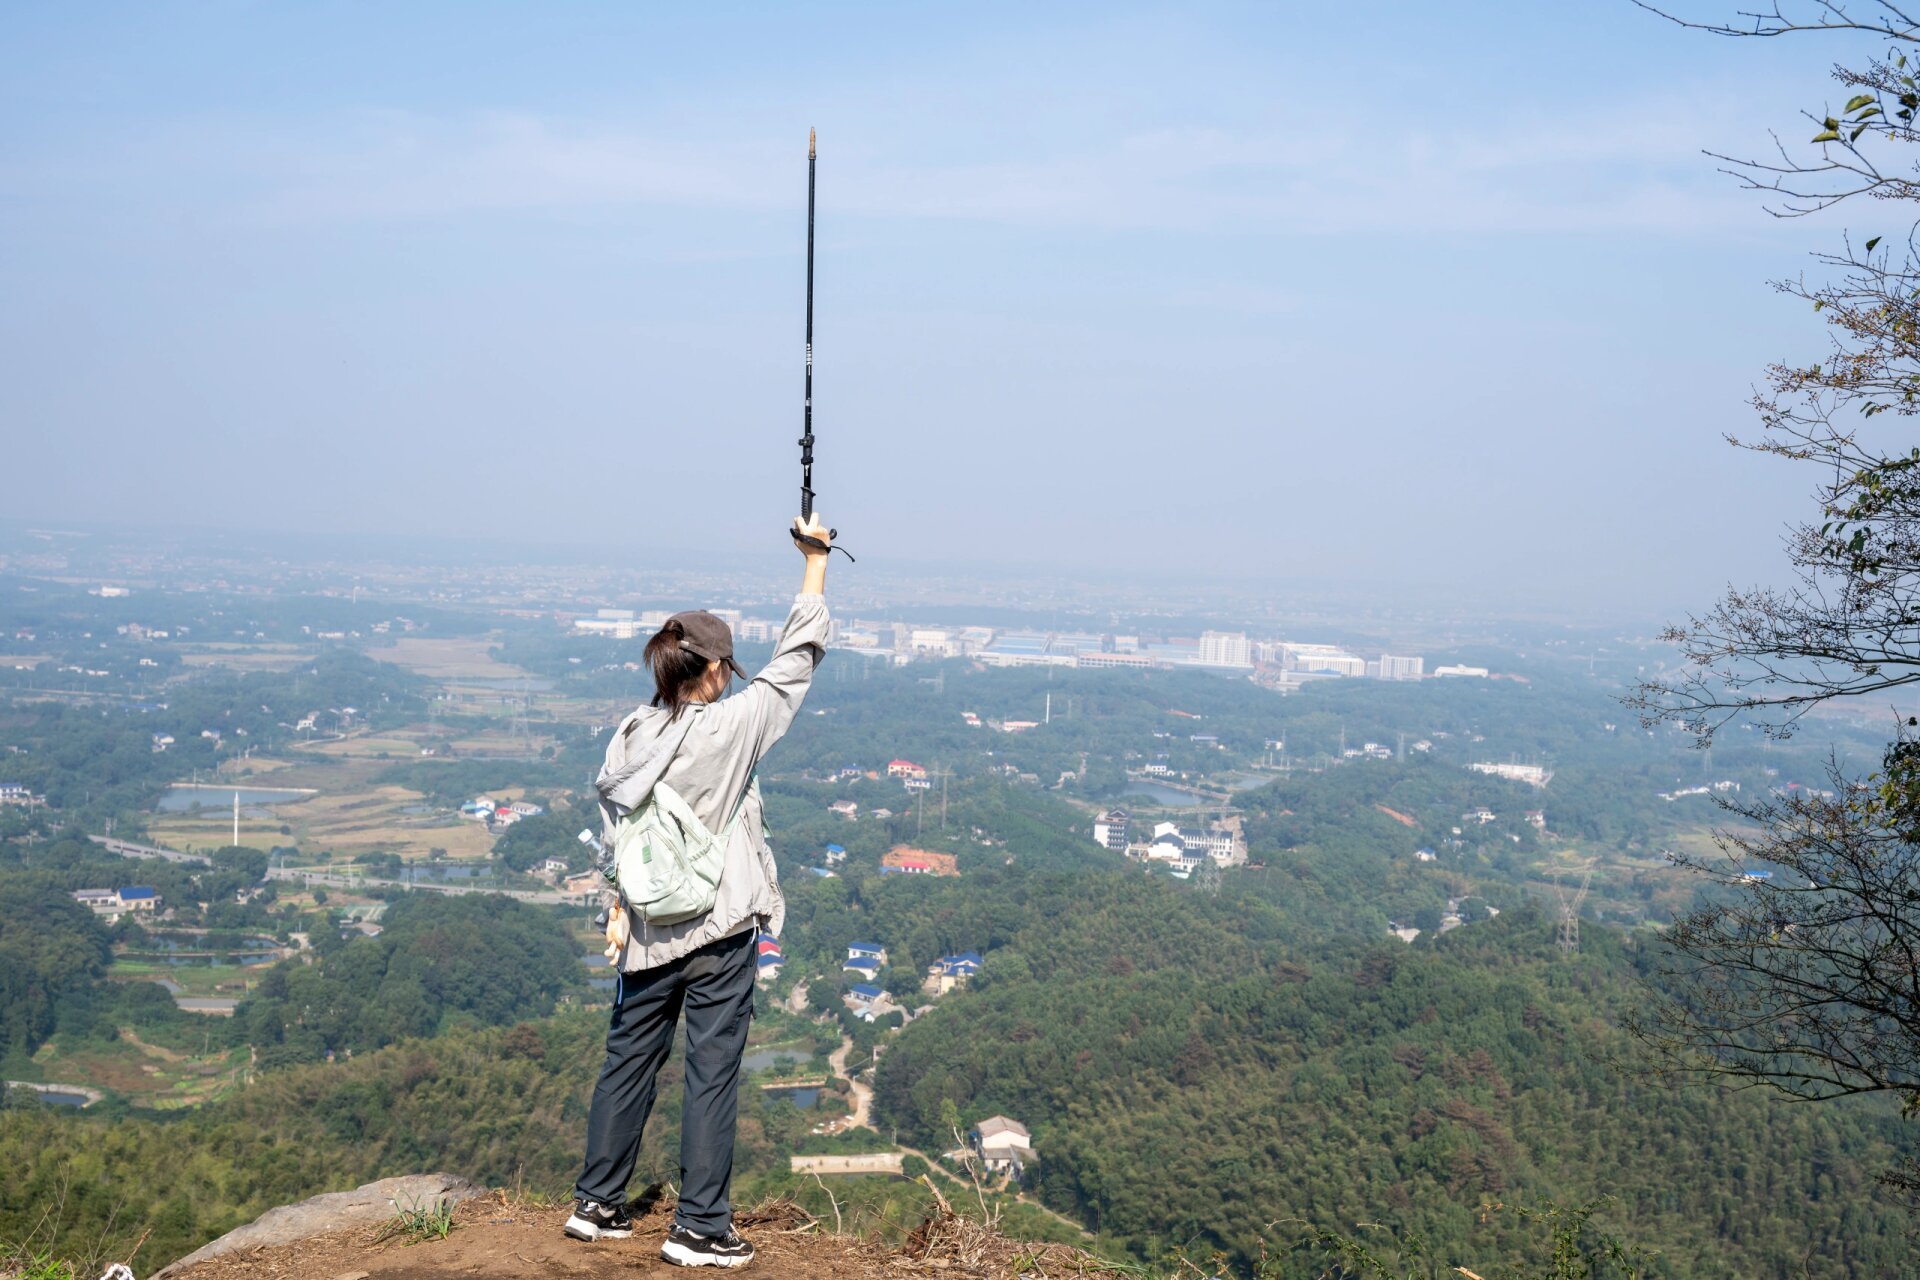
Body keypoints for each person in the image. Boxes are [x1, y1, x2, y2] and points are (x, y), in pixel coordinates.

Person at [566, 514, 834, 1268]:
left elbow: (620, 828)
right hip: (717, 928)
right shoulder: (732, 727)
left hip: (650, 927)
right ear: (712, 670)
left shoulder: (630, 737)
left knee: (628, 1060)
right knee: (710, 1075)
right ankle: (700, 1228)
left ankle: (597, 1203)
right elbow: (798, 657)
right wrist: (814, 561)